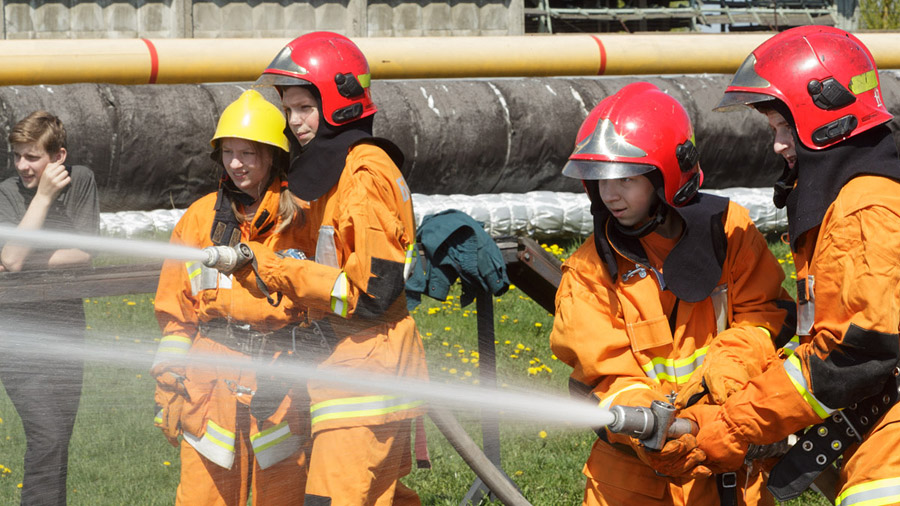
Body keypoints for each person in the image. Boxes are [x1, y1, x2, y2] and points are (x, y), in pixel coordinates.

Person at [676, 26, 900, 504]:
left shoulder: (863, 211)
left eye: (783, 127)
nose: (778, 145)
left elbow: (850, 356)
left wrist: (736, 426)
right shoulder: (864, 192)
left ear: (829, 120)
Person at [548, 82, 794, 506]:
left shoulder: (728, 232)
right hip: (630, 478)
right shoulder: (590, 270)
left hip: (725, 468)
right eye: (602, 179)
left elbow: (765, 314)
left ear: (667, 174)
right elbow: (603, 372)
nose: (610, 194)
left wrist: (730, 375)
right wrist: (647, 422)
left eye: (626, 178)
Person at [235, 31, 429, 505]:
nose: (295, 122)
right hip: (349, 365)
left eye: (305, 107)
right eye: (289, 110)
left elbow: (372, 293)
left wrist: (276, 269)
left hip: (366, 372)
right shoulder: (336, 171)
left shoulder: (364, 176)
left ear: (339, 101)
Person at [151, 89, 311, 505]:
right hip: (209, 384)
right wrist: (169, 379)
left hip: (281, 383)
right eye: (228, 153)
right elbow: (176, 309)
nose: (236, 164)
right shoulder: (200, 219)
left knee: (285, 496)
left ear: (273, 156)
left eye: (248, 153)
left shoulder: (302, 220)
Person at [0, 111, 100, 505]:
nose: (23, 166)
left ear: (58, 156)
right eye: (17, 156)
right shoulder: (7, 193)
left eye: (32, 157)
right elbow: (10, 260)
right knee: (46, 438)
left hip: (67, 330)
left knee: (59, 443)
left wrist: (22, 257)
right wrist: (42, 197)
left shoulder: (82, 180)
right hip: (17, 337)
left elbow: (87, 252)